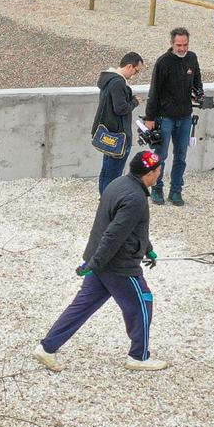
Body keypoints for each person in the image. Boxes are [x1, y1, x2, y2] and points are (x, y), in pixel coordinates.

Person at [36, 149, 167, 372]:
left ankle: (46, 348)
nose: (160, 173)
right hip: (118, 267)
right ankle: (139, 356)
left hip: (101, 260)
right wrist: (94, 264)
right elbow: (114, 234)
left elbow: (130, 229)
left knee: (82, 306)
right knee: (142, 303)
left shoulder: (119, 183)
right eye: (158, 170)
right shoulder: (135, 198)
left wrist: (148, 248)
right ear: (150, 173)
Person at [142, 26, 204, 207]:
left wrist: (199, 95)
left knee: (181, 156)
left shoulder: (192, 58)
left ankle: (176, 190)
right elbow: (154, 91)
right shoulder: (163, 63)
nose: (182, 48)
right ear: (172, 43)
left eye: (185, 44)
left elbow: (197, 82)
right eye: (179, 45)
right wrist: (150, 117)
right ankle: (157, 187)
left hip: (185, 116)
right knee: (160, 155)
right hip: (165, 117)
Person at [93, 52, 143, 194]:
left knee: (107, 169)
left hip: (109, 132)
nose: (135, 75)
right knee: (114, 173)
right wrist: (134, 102)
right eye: (136, 71)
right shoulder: (118, 82)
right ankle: (109, 202)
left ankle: (104, 198)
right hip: (118, 135)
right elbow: (121, 108)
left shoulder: (108, 79)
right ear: (129, 66)